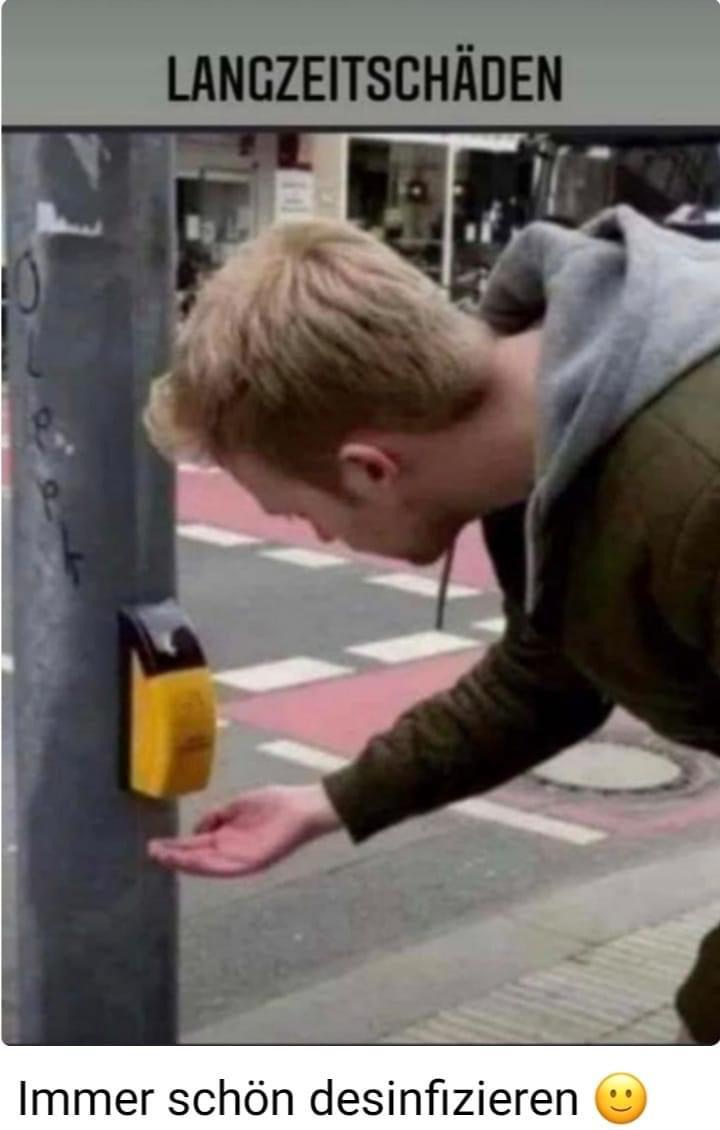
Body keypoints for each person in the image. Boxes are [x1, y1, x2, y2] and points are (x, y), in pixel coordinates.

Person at [144, 208, 720, 1044]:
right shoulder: (563, 431)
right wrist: (330, 802)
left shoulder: (697, 490)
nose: (320, 537)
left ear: (369, 470)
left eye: (299, 514)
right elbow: (549, 677)